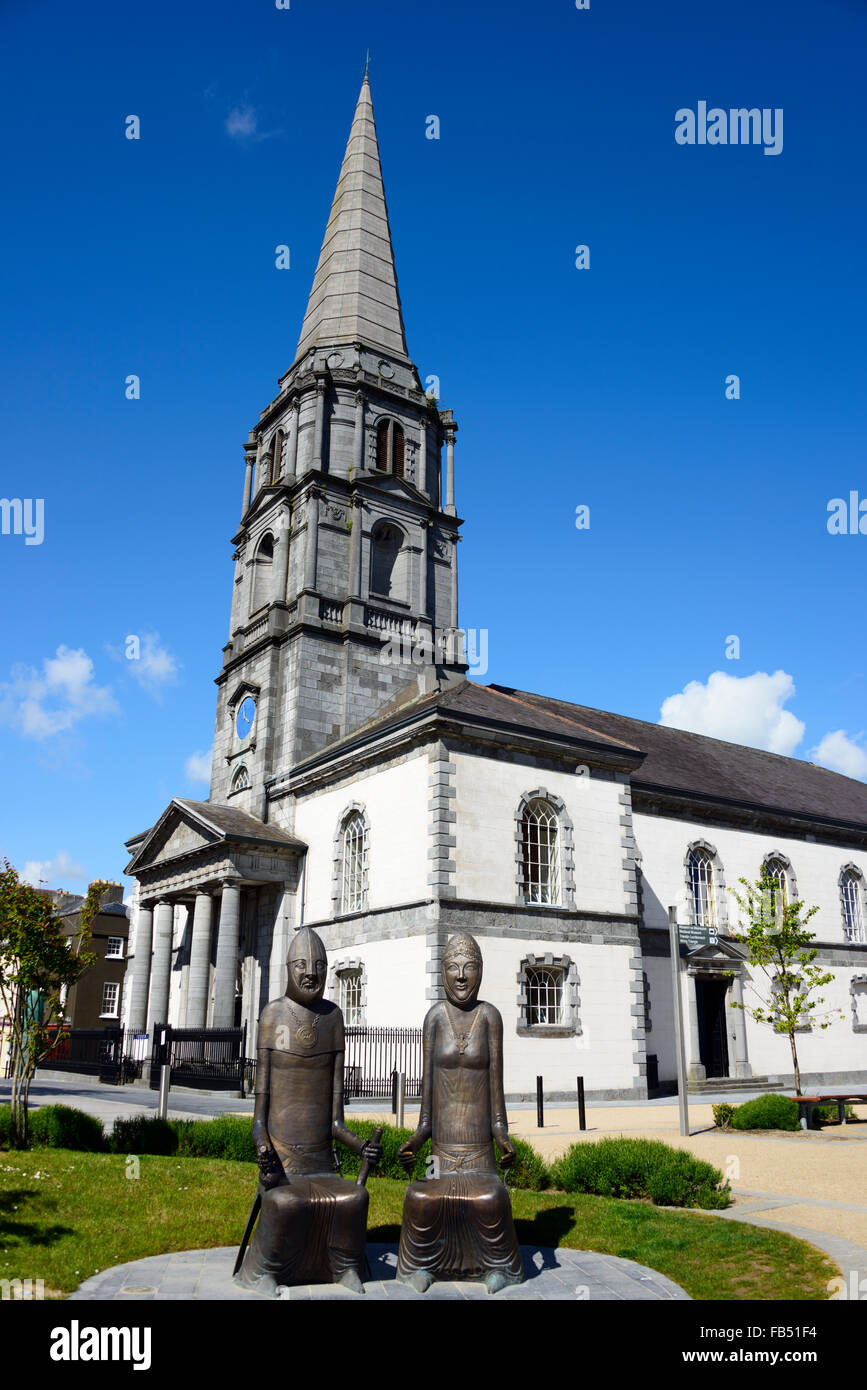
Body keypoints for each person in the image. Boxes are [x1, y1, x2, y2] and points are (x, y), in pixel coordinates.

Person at [233, 926, 381, 1295]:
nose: (310, 972)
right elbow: (259, 1119)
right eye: (301, 964)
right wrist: (264, 1149)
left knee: (354, 1197)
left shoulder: (333, 1019)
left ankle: (343, 1266)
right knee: (285, 1201)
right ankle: (264, 1271)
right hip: (284, 1165)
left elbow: (335, 1121)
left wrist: (360, 1146)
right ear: (288, 967)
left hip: (321, 1164)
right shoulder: (272, 1016)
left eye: (318, 964)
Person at [396, 932, 525, 1294]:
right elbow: (425, 1114)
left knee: (490, 1199)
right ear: (443, 973)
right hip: (440, 1156)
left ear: (480, 972)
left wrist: (503, 1138)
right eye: (453, 968)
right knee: (423, 1199)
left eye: (469, 967)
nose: (462, 976)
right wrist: (415, 1140)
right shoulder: (434, 1018)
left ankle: (497, 1267)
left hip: (480, 1155)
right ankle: (424, 1265)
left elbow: (497, 1100)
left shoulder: (490, 1018)